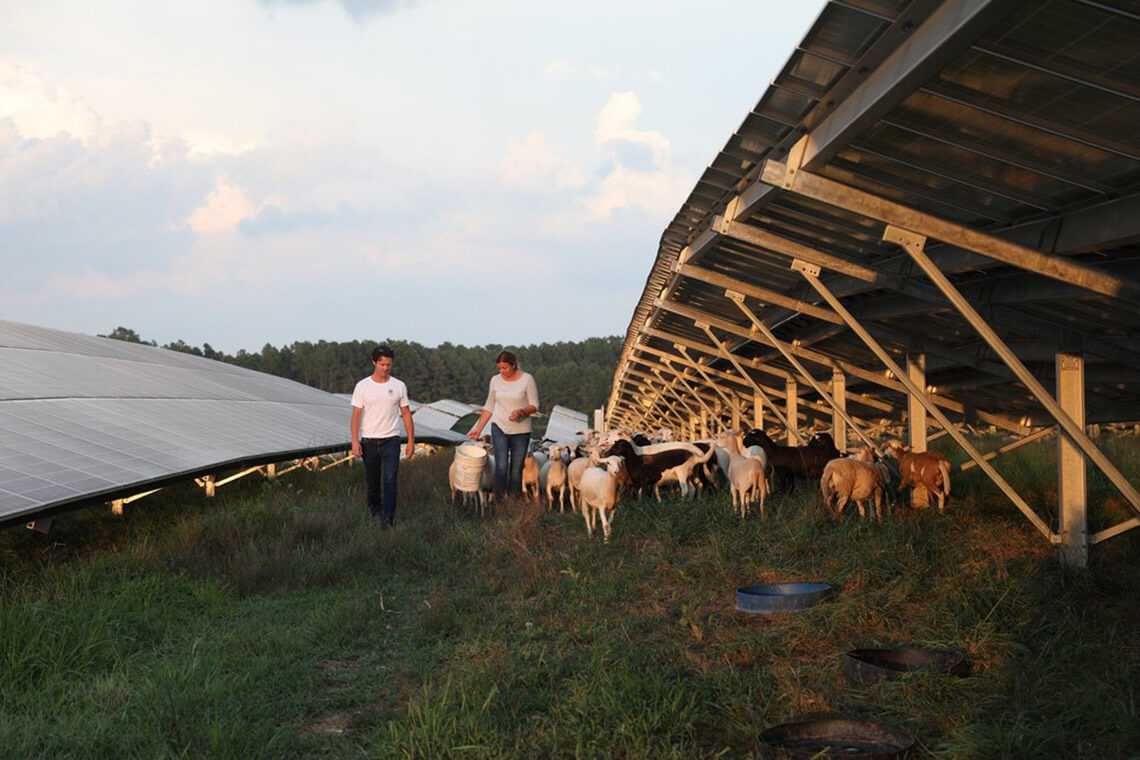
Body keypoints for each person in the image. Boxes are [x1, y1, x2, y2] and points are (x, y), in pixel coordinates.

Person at [350, 344, 415, 526]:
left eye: (388, 365)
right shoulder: (362, 386)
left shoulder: (399, 386)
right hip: (369, 440)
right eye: (382, 364)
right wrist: (355, 441)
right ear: (374, 362)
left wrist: (410, 441)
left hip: (391, 440)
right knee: (372, 484)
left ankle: (388, 520)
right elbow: (356, 415)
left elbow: (406, 414)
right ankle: (374, 515)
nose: (385, 368)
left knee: (390, 480)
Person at [467, 350, 539, 503]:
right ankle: (499, 503)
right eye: (499, 368)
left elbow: (535, 405)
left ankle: (513, 502)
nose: (502, 371)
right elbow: (489, 405)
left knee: (516, 468)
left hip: (521, 431)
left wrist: (521, 411)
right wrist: (478, 429)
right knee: (501, 466)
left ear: (514, 365)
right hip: (499, 427)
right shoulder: (495, 380)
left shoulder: (527, 379)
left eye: (505, 368)